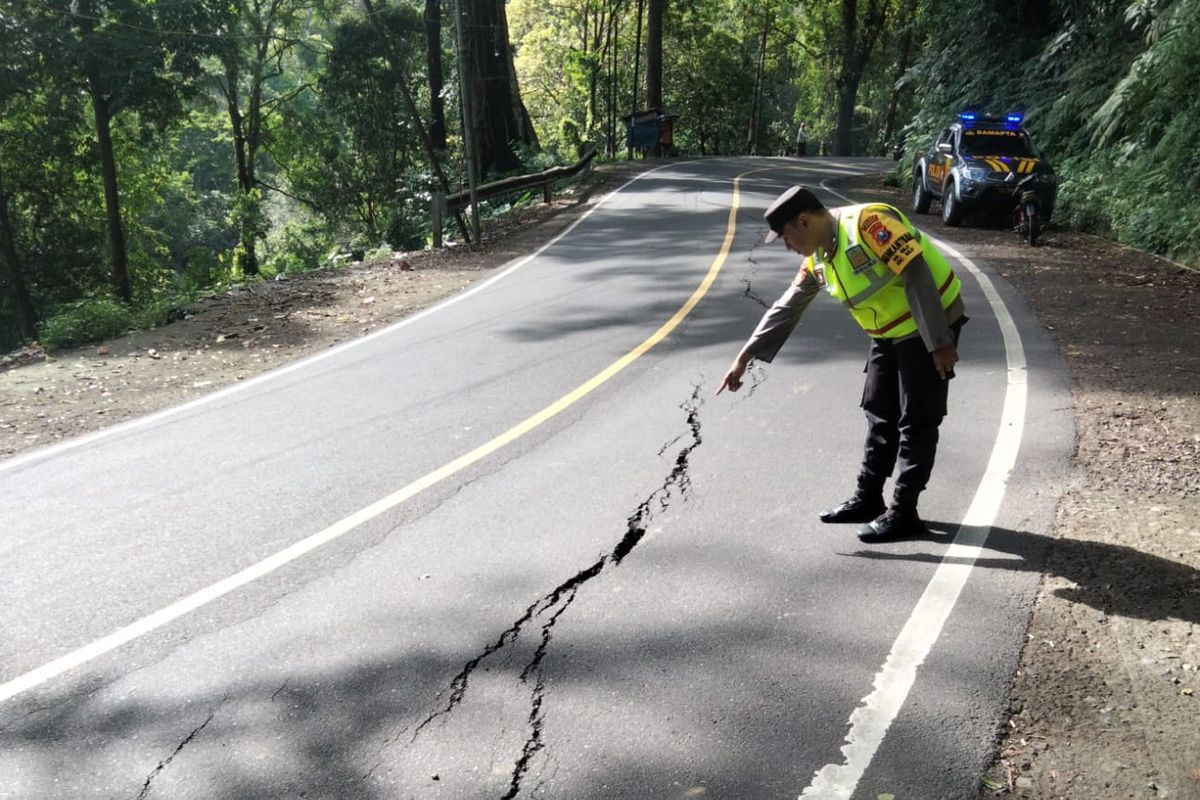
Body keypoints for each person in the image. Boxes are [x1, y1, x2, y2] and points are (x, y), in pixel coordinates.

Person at [717, 186, 967, 542]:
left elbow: (915, 273)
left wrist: (939, 342)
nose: (789, 247)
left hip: (929, 322)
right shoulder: (818, 256)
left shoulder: (869, 224)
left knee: (917, 419)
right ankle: (868, 498)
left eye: (788, 238)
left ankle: (904, 511)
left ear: (804, 221)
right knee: (879, 411)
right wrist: (744, 356)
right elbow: (787, 306)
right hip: (888, 332)